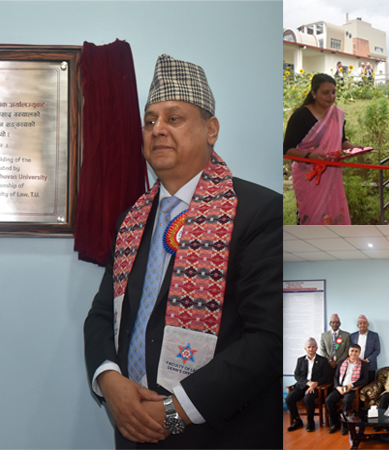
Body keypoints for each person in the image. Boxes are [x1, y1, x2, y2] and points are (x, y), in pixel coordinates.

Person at [83, 54, 281, 449]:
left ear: (211, 129)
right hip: (133, 430)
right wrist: (110, 383)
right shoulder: (132, 219)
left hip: (220, 433)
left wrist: (174, 411)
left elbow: (268, 339)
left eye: (174, 119)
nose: (158, 130)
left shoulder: (259, 213)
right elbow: (102, 315)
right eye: (150, 120)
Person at [284, 73, 357, 225]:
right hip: (308, 177)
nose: (331, 96)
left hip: (331, 174)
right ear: (314, 93)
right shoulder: (301, 115)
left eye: (333, 92)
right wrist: (311, 156)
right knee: (311, 217)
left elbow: (341, 140)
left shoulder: (337, 114)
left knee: (335, 215)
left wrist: (355, 149)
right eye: (325, 93)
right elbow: (287, 150)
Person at [286, 338, 330, 432]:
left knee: (308, 398)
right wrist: (307, 382)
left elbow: (325, 376)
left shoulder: (323, 360)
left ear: (317, 348)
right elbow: (297, 375)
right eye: (309, 347)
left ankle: (310, 421)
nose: (311, 349)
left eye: (313, 347)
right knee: (288, 398)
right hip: (302, 385)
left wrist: (315, 383)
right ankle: (297, 420)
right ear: (305, 348)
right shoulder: (300, 360)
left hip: (316, 387)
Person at [326, 344, 368, 435]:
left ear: (359, 353)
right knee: (329, 400)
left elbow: (365, 379)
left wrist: (352, 385)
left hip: (352, 389)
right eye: (352, 351)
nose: (353, 353)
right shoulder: (342, 362)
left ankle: (345, 425)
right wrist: (338, 387)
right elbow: (336, 377)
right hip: (340, 387)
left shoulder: (363, 364)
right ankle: (335, 423)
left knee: (347, 400)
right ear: (348, 352)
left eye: (356, 351)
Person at [351, 315, 380, 383]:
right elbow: (350, 350)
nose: (362, 325)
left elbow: (377, 350)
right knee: (357, 385)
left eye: (364, 323)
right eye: (360, 323)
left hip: (369, 365)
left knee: (370, 386)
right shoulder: (352, 336)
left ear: (368, 324)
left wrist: (367, 360)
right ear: (357, 325)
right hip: (356, 365)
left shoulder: (374, 335)